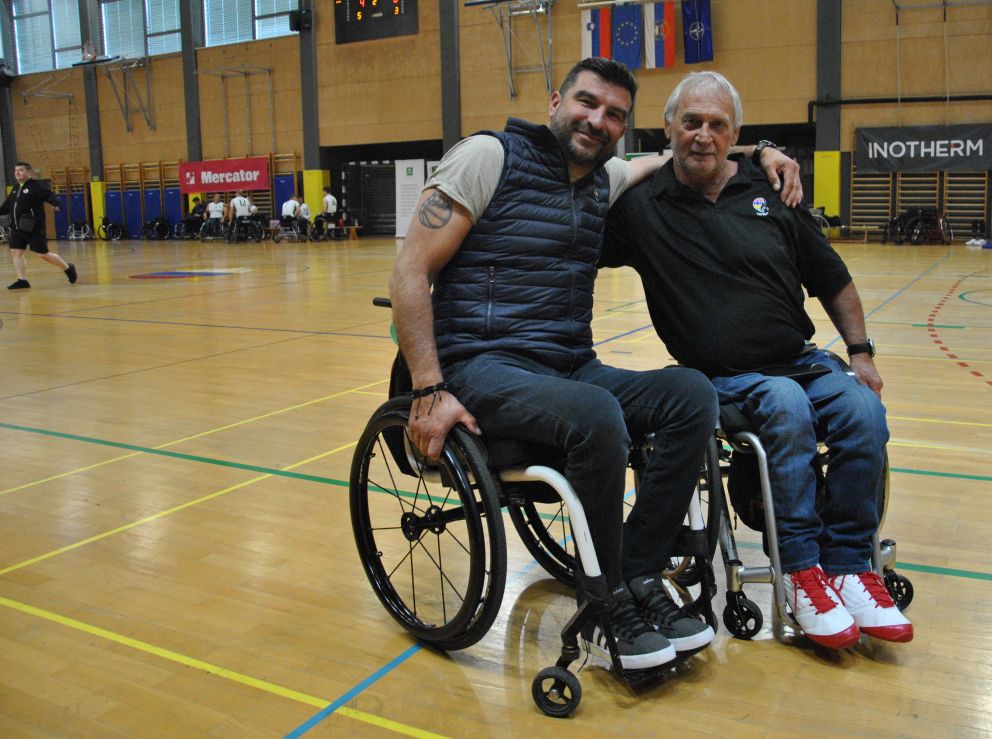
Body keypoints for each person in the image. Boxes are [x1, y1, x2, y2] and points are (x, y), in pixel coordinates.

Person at [390, 57, 800, 671]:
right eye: (586, 102)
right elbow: (409, 273)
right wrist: (428, 388)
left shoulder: (605, 177)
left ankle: (634, 575)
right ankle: (605, 603)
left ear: (623, 128)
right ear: (556, 102)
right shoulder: (487, 157)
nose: (596, 119)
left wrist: (763, 151)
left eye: (613, 114)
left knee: (692, 395)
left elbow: (682, 153)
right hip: (481, 364)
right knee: (597, 413)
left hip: (568, 364)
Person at [601, 71, 912, 650]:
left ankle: (849, 566)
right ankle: (799, 570)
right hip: (720, 378)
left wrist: (861, 353)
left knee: (863, 412)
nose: (703, 135)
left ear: (735, 133)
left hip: (800, 359)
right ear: (668, 127)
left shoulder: (771, 189)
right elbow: (574, 226)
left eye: (717, 125)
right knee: (785, 404)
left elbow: (832, 279)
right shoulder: (642, 207)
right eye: (691, 122)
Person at [0, 161, 76, 289]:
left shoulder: (36, 186)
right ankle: (22, 280)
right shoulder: (16, 188)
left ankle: (68, 268)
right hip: (17, 227)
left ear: (28, 172)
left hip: (33, 227)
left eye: (21, 170)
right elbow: (7, 205)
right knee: (16, 252)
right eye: (16, 171)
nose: (17, 173)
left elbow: (49, 195)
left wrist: (56, 204)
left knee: (43, 254)